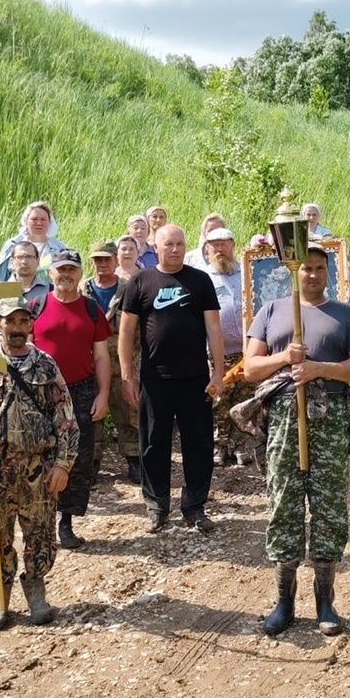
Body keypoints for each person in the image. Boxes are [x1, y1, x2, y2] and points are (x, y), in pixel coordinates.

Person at [244, 243, 350, 636]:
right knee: (283, 503)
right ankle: (284, 600)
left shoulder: (344, 314)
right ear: (293, 271)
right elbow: (250, 368)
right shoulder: (273, 311)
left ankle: (324, 599)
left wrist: (319, 368)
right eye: (306, 269)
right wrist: (285, 359)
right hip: (285, 416)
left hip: (329, 418)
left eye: (319, 268)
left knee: (329, 506)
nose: (312, 275)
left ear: (328, 272)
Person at [0, 298, 79, 630]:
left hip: (38, 467)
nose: (16, 329)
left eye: (23, 321)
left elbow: (65, 417)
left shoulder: (45, 366)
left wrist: (63, 464)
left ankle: (36, 590)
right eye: (10, 322)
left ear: (31, 325)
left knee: (39, 530)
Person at [118, 224, 225, 532]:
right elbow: (126, 332)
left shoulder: (200, 280)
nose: (175, 249)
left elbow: (213, 329)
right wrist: (127, 375)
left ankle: (194, 506)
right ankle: (156, 505)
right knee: (153, 444)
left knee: (199, 444)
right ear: (157, 247)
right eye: (168, 244)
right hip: (154, 379)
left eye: (180, 244)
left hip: (195, 380)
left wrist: (218, 373)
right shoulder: (140, 281)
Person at [32, 250, 111, 548]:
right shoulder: (35, 307)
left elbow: (102, 357)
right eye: (60, 270)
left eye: (72, 270)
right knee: (41, 455)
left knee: (76, 458)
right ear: (51, 273)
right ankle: (41, 519)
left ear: (80, 274)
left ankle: (66, 521)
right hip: (40, 394)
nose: (66, 275)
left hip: (80, 391)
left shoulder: (92, 310)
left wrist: (102, 394)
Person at [80, 242, 139, 480]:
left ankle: (134, 459)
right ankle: (92, 463)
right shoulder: (82, 290)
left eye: (106, 259)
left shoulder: (129, 288)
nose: (102, 264)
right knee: (92, 414)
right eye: (97, 260)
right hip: (90, 362)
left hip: (121, 359)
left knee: (128, 411)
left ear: (116, 260)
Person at [203, 228, 254, 467]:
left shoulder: (245, 274)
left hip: (246, 350)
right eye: (215, 245)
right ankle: (219, 446)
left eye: (224, 244)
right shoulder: (204, 278)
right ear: (207, 249)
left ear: (233, 245)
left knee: (245, 398)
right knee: (220, 400)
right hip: (217, 353)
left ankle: (241, 445)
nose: (220, 249)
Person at [0, 240, 50, 342]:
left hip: (39, 353)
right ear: (12, 261)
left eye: (29, 257)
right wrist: (4, 340)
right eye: (20, 257)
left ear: (38, 261)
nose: (24, 262)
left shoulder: (49, 290)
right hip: (4, 353)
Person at [0, 201, 68, 282]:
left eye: (43, 219)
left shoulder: (60, 248)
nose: (39, 223)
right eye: (34, 219)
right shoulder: (12, 245)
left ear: (50, 222)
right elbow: (1, 275)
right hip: (16, 291)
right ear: (26, 221)